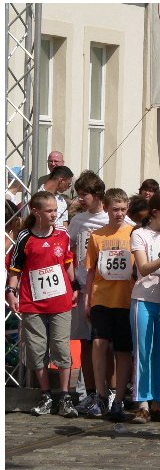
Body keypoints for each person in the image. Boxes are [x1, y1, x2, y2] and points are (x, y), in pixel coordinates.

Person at [6, 191, 79, 418]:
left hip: (60, 300)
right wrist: (11, 292)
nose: (54, 215)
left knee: (61, 347)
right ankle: (46, 395)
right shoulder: (24, 237)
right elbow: (15, 269)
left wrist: (75, 287)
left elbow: (68, 263)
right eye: (49, 211)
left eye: (55, 210)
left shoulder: (62, 234)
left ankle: (65, 396)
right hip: (33, 302)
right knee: (37, 349)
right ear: (36, 212)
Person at [128, 193, 160, 423]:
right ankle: (142, 403)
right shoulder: (140, 234)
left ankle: (158, 402)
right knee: (143, 351)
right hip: (144, 299)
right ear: (156, 212)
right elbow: (144, 267)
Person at [84, 188, 135, 418]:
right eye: (115, 209)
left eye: (123, 209)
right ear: (106, 209)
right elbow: (91, 270)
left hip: (126, 299)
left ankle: (119, 399)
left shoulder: (134, 233)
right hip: (102, 297)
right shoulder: (97, 236)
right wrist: (88, 300)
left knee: (123, 350)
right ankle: (101, 395)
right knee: (99, 344)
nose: (119, 214)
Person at [67, 171, 111, 414]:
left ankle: (108, 392)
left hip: (106, 289)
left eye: (84, 194)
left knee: (105, 342)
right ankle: (91, 392)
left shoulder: (111, 218)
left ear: (97, 195)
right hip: (84, 286)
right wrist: (74, 281)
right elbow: (70, 251)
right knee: (85, 341)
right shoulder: (78, 221)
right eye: (79, 194)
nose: (81, 199)